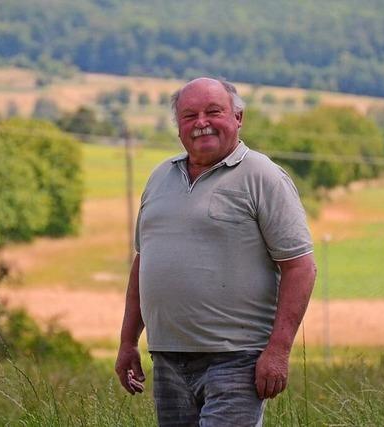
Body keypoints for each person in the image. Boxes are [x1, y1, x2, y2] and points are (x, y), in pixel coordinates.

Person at [115, 77, 316, 427]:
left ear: (238, 117)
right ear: (178, 126)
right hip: (168, 357)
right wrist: (128, 341)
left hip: (236, 359)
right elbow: (144, 263)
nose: (201, 123)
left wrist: (279, 351)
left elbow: (301, 267)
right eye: (189, 115)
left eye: (213, 111)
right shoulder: (160, 177)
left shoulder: (263, 176)